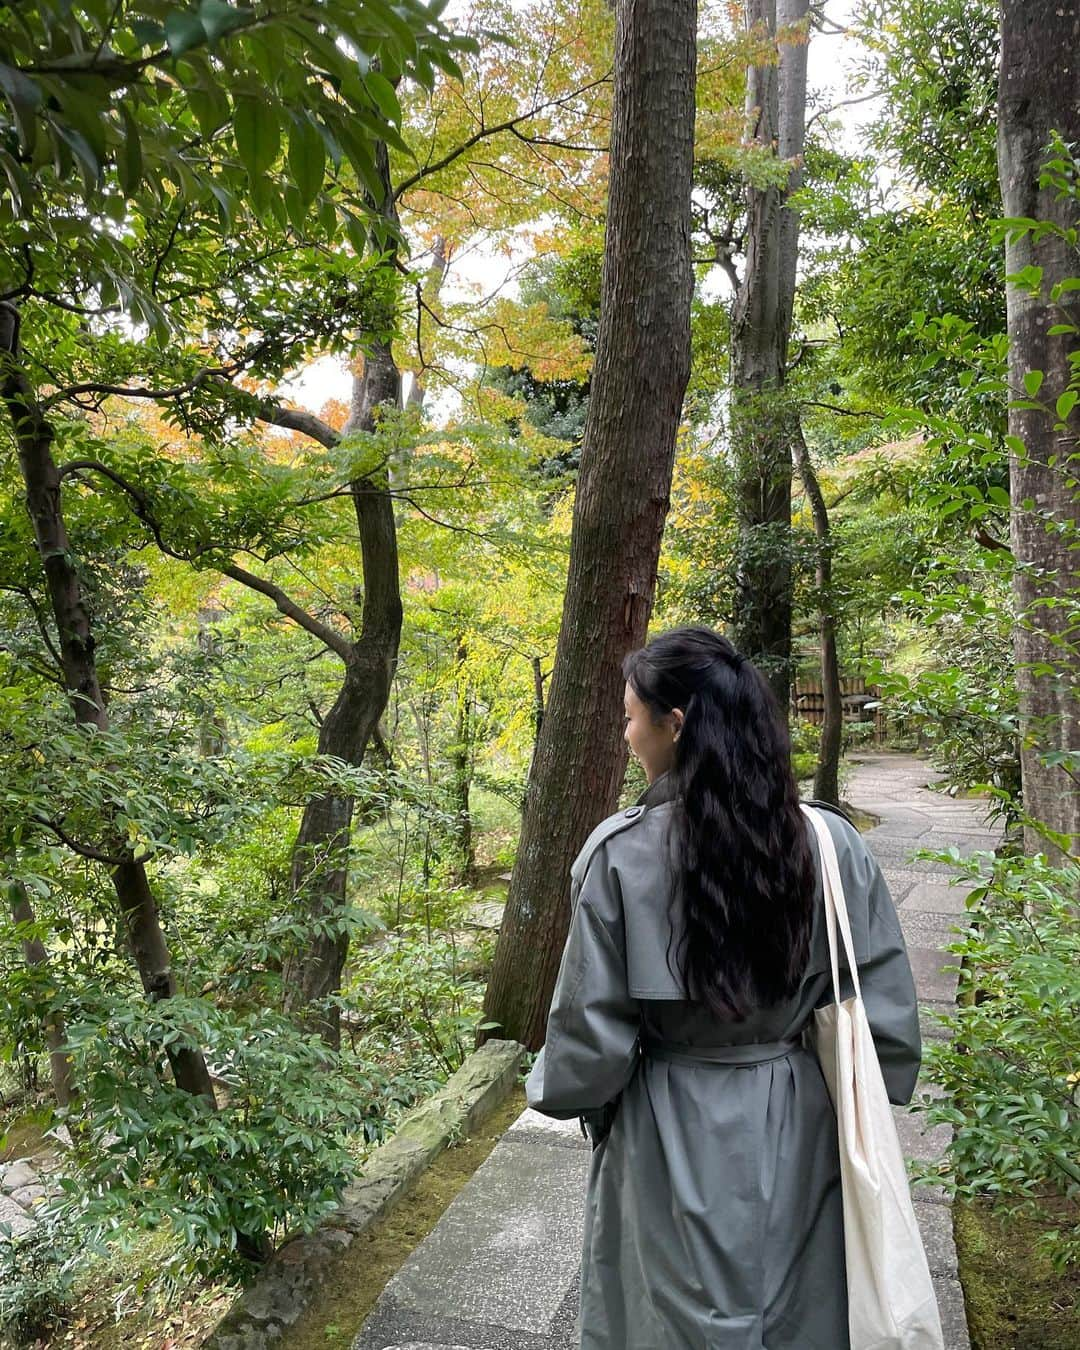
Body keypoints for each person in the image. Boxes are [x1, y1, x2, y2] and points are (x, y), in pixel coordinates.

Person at [525, 625, 921, 1350]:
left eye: (628, 716)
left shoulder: (618, 854)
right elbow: (884, 1009)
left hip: (669, 1123)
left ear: (673, 725)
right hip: (801, 1117)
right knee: (800, 1306)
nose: (624, 734)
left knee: (670, 1317)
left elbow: (588, 1038)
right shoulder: (830, 843)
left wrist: (561, 1091)